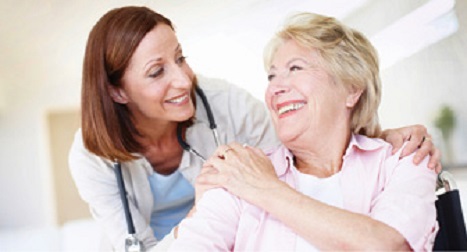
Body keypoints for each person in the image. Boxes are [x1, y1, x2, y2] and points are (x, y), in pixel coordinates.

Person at [68, 6, 440, 251]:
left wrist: (378, 134)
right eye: (271, 75)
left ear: (352, 87)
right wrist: (228, 196)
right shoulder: (238, 178)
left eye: (294, 68)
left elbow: (392, 246)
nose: (183, 80)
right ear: (117, 91)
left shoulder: (403, 161)